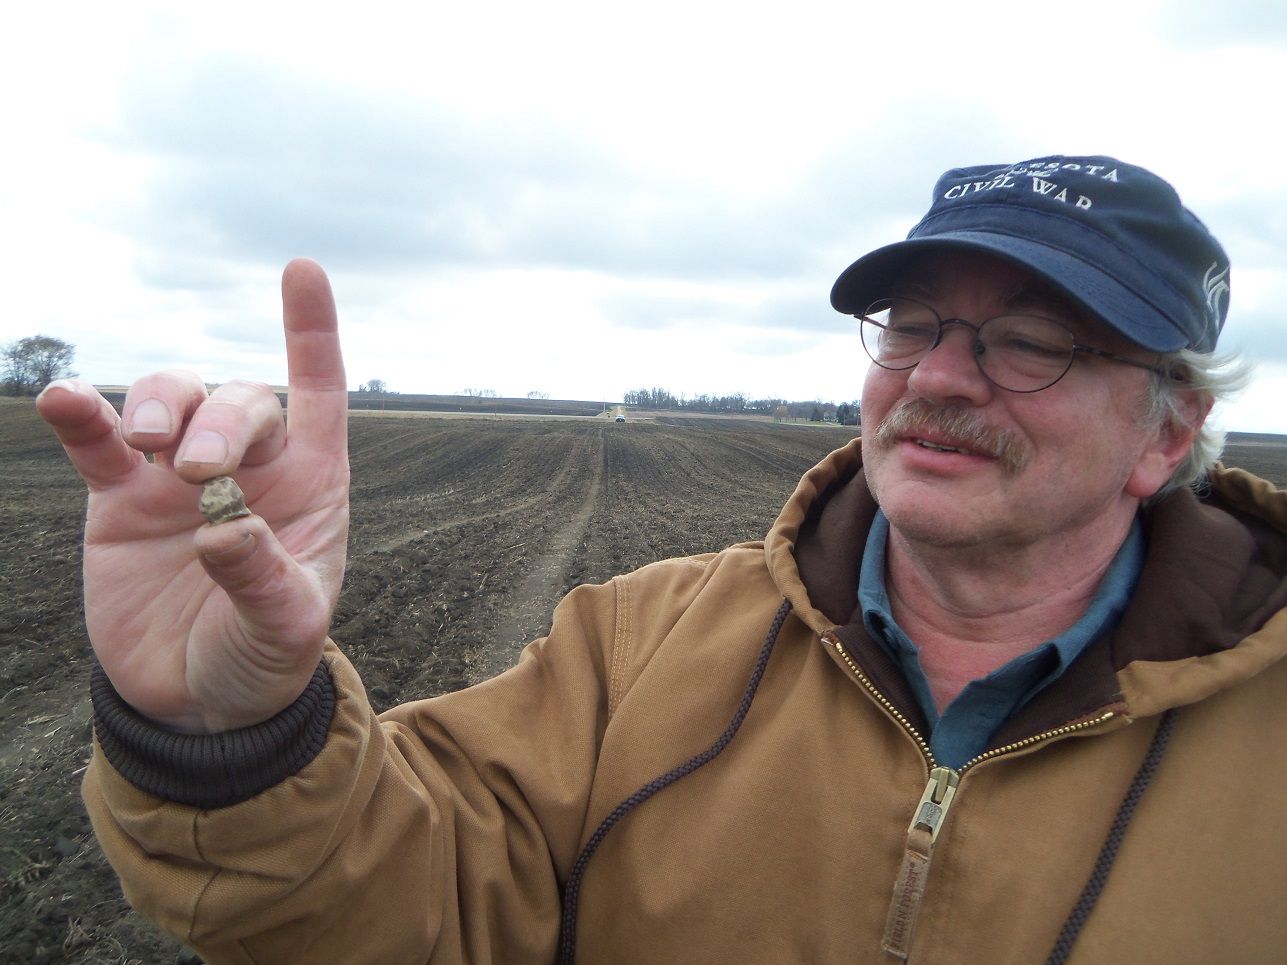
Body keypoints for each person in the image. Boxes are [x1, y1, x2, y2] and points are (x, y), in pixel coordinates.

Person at [38, 155, 1286, 964]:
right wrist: (230, 731)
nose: (939, 376)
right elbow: (410, 902)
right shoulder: (637, 645)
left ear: (1167, 427)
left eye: (1031, 341)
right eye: (912, 327)